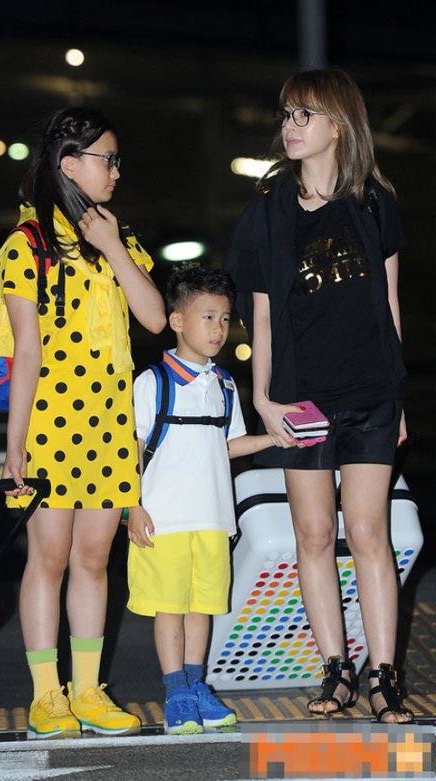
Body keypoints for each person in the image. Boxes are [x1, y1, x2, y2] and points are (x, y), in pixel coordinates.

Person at [224, 69, 414, 723]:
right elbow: (261, 315)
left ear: (339, 124)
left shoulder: (374, 202)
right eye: (286, 115)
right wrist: (263, 399)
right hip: (301, 400)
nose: (290, 126)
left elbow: (390, 303)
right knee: (313, 533)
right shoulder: (269, 208)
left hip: (371, 394)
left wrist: (398, 397)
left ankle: (384, 675)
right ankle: (336, 669)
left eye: (304, 114)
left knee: (368, 533)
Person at [0, 107, 166, 739]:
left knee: (94, 560)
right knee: (49, 558)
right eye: (107, 160)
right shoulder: (27, 245)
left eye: (117, 160)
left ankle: (89, 690)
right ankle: (48, 695)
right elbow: (27, 352)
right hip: (49, 422)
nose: (116, 171)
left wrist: (113, 247)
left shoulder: (118, 240)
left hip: (109, 424)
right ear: (70, 165)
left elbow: (155, 318)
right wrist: (15, 445)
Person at [127, 266, 272, 734]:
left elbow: (228, 445)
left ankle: (196, 685)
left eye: (225, 319)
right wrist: (132, 505)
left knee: (202, 607)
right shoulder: (153, 382)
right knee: (169, 607)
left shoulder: (224, 384)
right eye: (207, 317)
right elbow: (132, 449)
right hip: (164, 519)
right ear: (177, 321)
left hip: (212, 518)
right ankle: (176, 692)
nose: (218, 329)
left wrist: (275, 439)